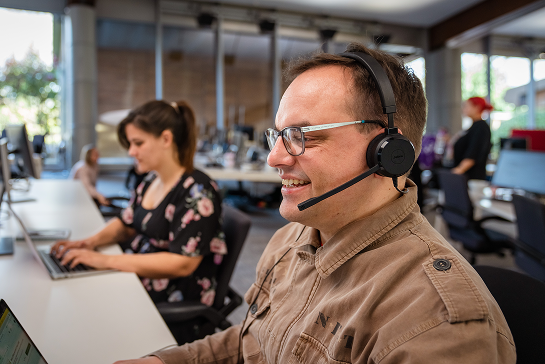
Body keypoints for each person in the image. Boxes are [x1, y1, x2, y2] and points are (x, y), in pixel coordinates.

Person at [113, 44, 515, 363]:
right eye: (279, 135)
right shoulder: (290, 241)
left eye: (304, 135)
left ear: (387, 150)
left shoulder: (435, 323)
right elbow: (252, 344)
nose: (274, 158)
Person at [52, 100, 226, 305]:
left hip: (173, 294)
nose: (131, 152)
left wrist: (104, 261)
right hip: (140, 276)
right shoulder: (151, 179)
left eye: (138, 143)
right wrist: (88, 243)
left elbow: (182, 264)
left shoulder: (198, 192)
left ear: (166, 139)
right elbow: (127, 223)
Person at [448, 96, 493, 180]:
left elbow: (473, 154)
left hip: (472, 179)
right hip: (465, 177)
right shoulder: (472, 127)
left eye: (466, 106)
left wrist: (457, 171)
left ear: (477, 107)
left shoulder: (481, 128)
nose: (463, 109)